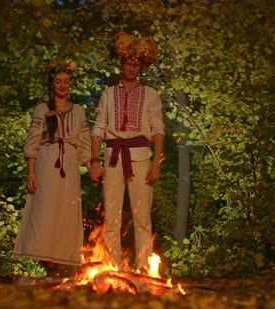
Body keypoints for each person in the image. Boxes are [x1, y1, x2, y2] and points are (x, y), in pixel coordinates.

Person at [89, 32, 165, 272]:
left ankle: (143, 268)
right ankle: (113, 268)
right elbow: (98, 128)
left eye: (135, 63)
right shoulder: (108, 94)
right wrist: (94, 160)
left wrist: (157, 162)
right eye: (127, 62)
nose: (131, 67)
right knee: (111, 217)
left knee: (142, 217)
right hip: (112, 158)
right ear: (121, 63)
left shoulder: (151, 95)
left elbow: (158, 130)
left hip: (141, 156)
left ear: (140, 66)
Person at [13, 61, 92, 278]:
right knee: (45, 212)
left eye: (67, 82)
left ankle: (62, 265)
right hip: (47, 163)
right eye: (58, 81)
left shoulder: (78, 111)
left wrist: (93, 165)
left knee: (66, 211)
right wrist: (31, 172)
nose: (63, 85)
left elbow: (84, 142)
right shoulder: (42, 108)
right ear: (51, 83)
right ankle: (48, 265)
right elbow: (33, 141)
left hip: (69, 164)